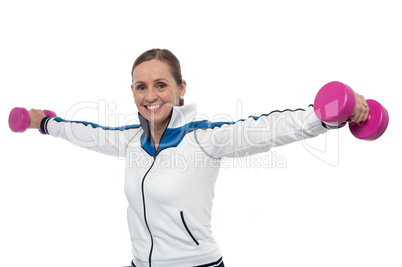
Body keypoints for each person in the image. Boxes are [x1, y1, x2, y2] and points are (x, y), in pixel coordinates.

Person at [28, 48, 369, 267]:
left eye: (161, 84)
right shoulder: (131, 140)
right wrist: (44, 123)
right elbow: (85, 132)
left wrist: (326, 116)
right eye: (140, 86)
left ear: (181, 88)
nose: (150, 96)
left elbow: (267, 129)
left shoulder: (204, 138)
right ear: (132, 91)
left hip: (196, 265)